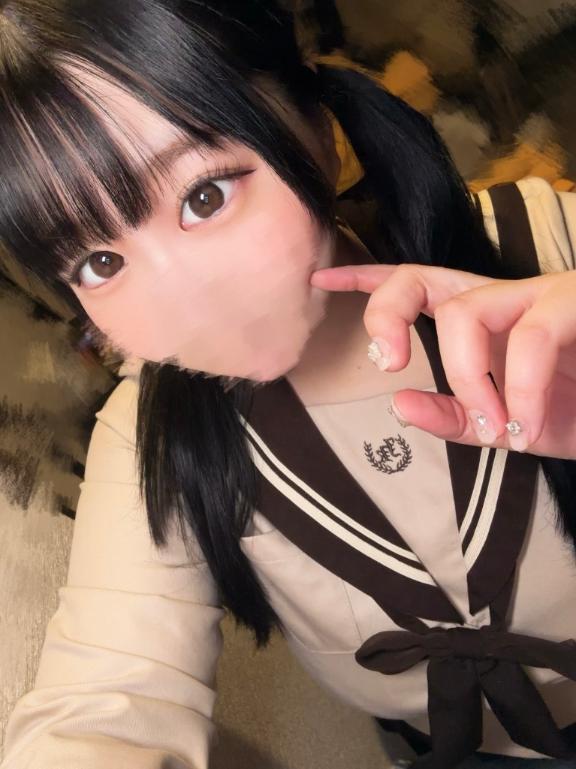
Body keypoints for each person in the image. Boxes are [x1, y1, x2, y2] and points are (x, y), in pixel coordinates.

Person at [0, 2, 575, 768]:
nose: (183, 300)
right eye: (98, 262)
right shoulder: (148, 442)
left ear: (318, 131)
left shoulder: (545, 244)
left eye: (205, 195)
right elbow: (104, 701)